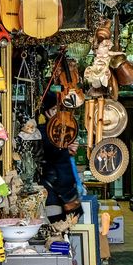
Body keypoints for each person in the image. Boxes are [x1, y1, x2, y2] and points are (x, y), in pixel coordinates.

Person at [39, 92, 82, 221]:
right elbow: (51, 152)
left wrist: (70, 149)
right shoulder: (43, 131)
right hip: (54, 187)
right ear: (46, 112)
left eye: (59, 110)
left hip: (65, 188)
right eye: (53, 110)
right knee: (56, 223)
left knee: (67, 223)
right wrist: (65, 148)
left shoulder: (61, 129)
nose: (57, 113)